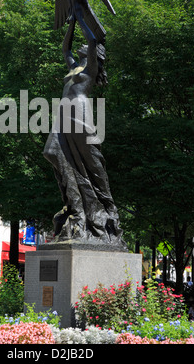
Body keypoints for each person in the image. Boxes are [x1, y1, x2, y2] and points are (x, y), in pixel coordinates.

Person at [43, 18, 126, 249]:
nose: (82, 46)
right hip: (63, 114)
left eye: (88, 48)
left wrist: (81, 15)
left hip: (80, 113)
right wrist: (71, 23)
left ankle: (103, 208)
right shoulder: (74, 67)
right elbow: (65, 48)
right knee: (51, 152)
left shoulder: (91, 67)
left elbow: (90, 40)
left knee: (91, 162)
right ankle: (75, 205)